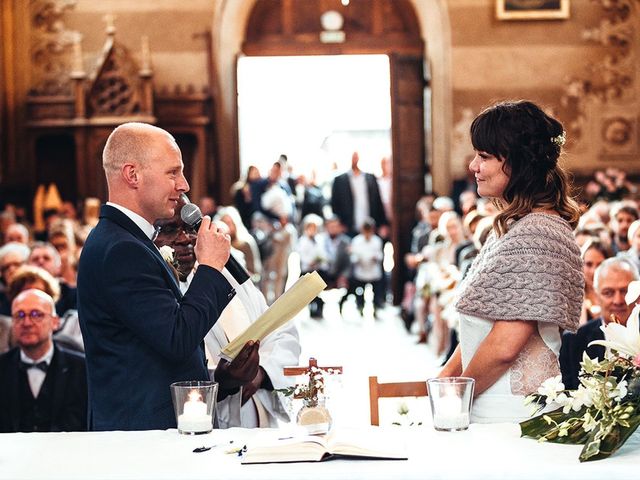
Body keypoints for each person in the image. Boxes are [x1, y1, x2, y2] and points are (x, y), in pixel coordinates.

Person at [77, 122, 257, 431]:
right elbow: (177, 338)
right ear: (132, 175)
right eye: (173, 172)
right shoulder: (121, 250)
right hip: (141, 435)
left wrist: (220, 380)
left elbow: (152, 350)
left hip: (155, 426)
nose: (184, 185)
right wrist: (211, 267)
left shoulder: (128, 240)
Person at [439, 100, 584, 423]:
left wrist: (458, 395)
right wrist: (444, 379)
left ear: (519, 164)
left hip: (510, 413)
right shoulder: (515, 225)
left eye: (485, 156)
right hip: (487, 399)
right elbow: (481, 326)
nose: (473, 166)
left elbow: (506, 345)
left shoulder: (540, 233)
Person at [154, 196, 300, 428]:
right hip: (206, 423)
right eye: (170, 230)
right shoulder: (156, 290)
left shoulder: (228, 273)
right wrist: (223, 382)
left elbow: (280, 330)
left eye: (191, 229)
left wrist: (261, 373)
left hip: (257, 414)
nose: (185, 239)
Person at [0, 289, 87, 432]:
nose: (27, 322)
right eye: (19, 315)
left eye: (36, 314)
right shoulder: (2, 367)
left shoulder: (81, 369)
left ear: (55, 322)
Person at [560, 258, 639, 390]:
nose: (618, 300)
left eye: (624, 291)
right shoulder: (574, 342)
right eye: (608, 293)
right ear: (596, 296)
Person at [331, 151, 388, 237]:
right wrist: (340, 224)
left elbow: (378, 201)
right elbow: (335, 204)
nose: (355, 160)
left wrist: (382, 224)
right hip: (348, 228)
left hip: (370, 227)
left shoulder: (370, 178)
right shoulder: (340, 180)